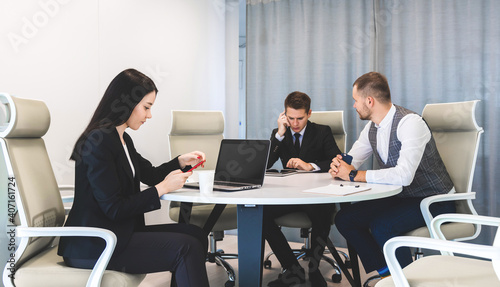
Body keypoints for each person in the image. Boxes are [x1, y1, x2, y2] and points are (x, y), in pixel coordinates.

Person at [58, 69, 210, 287]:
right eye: (146, 107)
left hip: (118, 234)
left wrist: (180, 161)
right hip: (95, 244)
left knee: (196, 235)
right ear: (127, 102)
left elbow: (150, 174)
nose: (149, 115)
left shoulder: (122, 139)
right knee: (188, 246)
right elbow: (114, 208)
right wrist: (162, 188)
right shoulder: (98, 141)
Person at [330, 72, 456, 280]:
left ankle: (406, 281)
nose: (354, 106)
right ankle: (388, 274)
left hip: (434, 200)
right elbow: (352, 159)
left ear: (369, 101)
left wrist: (353, 174)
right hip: (404, 197)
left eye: (355, 100)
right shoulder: (372, 127)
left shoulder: (410, 123)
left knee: (383, 226)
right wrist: (340, 165)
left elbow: (404, 175)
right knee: (345, 219)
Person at [264, 91, 341, 287]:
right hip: (289, 196)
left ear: (309, 113)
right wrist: (280, 135)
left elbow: (336, 160)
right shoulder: (279, 134)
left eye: (300, 118)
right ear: (284, 115)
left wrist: (310, 166)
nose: (295, 123)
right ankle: (293, 269)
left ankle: (314, 272)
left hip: (317, 196)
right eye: (291, 118)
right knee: (260, 215)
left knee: (322, 214)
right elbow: (264, 164)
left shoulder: (322, 131)